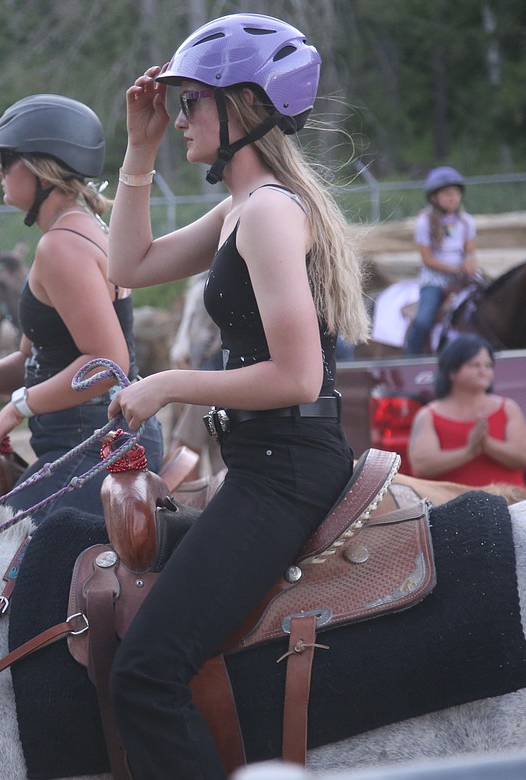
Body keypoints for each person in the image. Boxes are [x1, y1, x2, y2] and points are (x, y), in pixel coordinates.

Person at [104, 14, 369, 778]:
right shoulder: (241, 209)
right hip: (262, 463)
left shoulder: (271, 213)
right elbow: (129, 261)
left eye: (192, 103)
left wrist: (167, 383)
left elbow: (298, 377)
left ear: (244, 107)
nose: (180, 115)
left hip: (285, 469)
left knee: (146, 673)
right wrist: (140, 146)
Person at [0, 94, 162, 524]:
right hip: (90, 439)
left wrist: (15, 409)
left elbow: (108, 363)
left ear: (42, 169)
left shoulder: (62, 247)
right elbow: (36, 361)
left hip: (96, 444)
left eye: (7, 158)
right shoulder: (74, 232)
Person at [406, 333, 526, 487]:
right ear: (452, 372)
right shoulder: (428, 415)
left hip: (509, 502)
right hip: (449, 504)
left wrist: (488, 444)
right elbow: (422, 466)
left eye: (488, 365)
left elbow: (523, 457)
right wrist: (469, 451)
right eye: (474, 365)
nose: (483, 371)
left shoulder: (508, 408)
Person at [404, 166, 478, 355]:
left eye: (455, 193)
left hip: (462, 276)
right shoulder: (425, 222)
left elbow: (470, 250)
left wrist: (470, 261)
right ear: (433, 198)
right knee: (423, 320)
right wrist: (455, 269)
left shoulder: (466, 221)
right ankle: (410, 357)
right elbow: (427, 259)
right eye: (446, 194)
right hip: (435, 279)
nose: (452, 197)